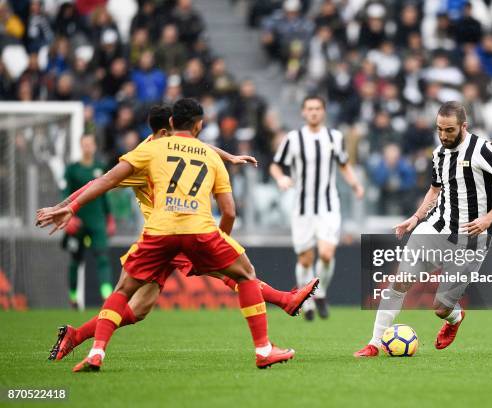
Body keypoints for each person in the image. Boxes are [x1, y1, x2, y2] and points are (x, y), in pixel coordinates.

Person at [39, 99, 314, 370]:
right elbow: (102, 181)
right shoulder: (148, 155)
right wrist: (65, 207)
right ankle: (282, 306)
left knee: (137, 309)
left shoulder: (160, 147)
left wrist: (228, 156)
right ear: (167, 130)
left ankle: (78, 337)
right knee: (238, 274)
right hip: (177, 232)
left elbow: (193, 145)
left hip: (159, 236)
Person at [354, 101, 492, 357]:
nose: (443, 135)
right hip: (434, 228)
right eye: (439, 129)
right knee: (400, 282)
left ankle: (454, 318)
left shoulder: (483, 150)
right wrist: (416, 217)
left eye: (449, 130)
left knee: (441, 308)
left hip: (471, 238)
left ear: (463, 127)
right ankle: (375, 343)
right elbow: (435, 188)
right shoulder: (438, 154)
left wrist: (489, 218)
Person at [270, 96, 364, 320]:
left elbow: (343, 165)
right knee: (305, 259)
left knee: (326, 253)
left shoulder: (334, 137)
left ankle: (319, 293)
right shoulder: (293, 139)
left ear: (323, 112)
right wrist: (281, 178)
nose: (313, 112)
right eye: (309, 109)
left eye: (317, 109)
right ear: (303, 112)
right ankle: (307, 300)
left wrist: (356, 185)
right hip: (302, 207)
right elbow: (275, 165)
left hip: (328, 204)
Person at [62, 134, 115, 304]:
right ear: (80, 146)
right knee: (75, 261)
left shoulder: (101, 167)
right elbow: (65, 194)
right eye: (84, 144)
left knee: (102, 258)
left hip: (97, 221)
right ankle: (73, 297)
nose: (87, 147)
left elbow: (105, 196)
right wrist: (67, 217)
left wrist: (109, 218)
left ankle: (106, 296)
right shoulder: (72, 170)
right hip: (78, 222)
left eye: (90, 144)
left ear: (94, 146)